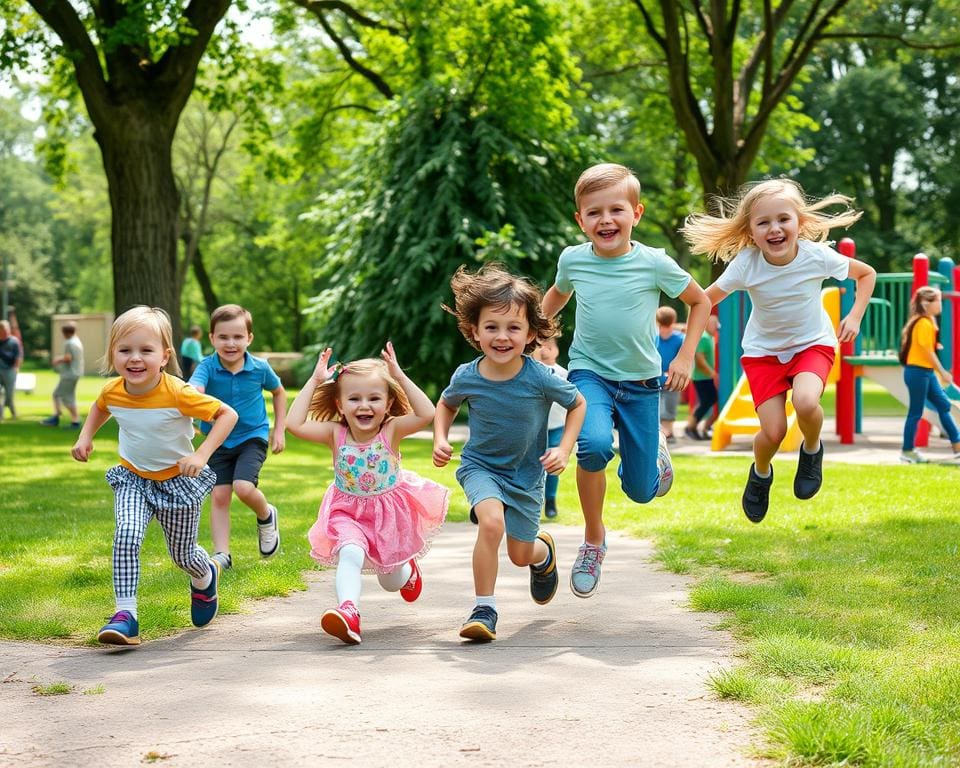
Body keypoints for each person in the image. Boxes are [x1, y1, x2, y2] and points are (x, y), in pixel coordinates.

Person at [542, 163, 710, 599]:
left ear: (636, 213)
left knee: (640, 492)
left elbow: (700, 300)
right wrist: (533, 333)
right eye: (593, 213)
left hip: (640, 383)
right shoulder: (573, 259)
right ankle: (593, 540)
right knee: (593, 446)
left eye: (616, 210)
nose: (605, 220)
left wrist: (687, 356)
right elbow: (558, 294)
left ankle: (655, 450)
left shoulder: (654, 262)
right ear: (580, 221)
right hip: (589, 373)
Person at [682, 178, 876, 523]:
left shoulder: (817, 256)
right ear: (751, 232)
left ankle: (812, 449)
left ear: (799, 222)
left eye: (783, 219)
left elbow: (867, 274)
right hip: (762, 354)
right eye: (763, 222)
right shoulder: (746, 264)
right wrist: (687, 347)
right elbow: (704, 300)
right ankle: (760, 473)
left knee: (805, 401)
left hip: (812, 344)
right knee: (773, 432)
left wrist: (855, 316)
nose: (774, 229)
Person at [434, 264, 586, 642]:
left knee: (521, 554)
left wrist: (564, 449)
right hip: (480, 467)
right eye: (492, 327)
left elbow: (578, 404)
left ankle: (543, 553)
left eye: (513, 328)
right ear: (475, 331)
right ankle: (484, 608)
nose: (502, 337)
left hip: (526, 476)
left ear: (531, 333)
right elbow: (446, 403)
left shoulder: (539, 376)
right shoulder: (467, 375)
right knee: (490, 524)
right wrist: (441, 437)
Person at [71, 306, 238, 646]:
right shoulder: (113, 391)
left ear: (164, 356)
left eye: (145, 350)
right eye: (125, 350)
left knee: (183, 555)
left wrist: (201, 454)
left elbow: (226, 414)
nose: (135, 358)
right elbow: (101, 407)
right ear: (112, 354)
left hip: (178, 482)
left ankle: (205, 575)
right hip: (133, 478)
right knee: (127, 535)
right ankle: (125, 615)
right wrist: (85, 436)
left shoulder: (177, 392)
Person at [287, 342, 448, 646]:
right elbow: (293, 424)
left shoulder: (391, 431)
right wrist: (315, 381)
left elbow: (427, 413)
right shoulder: (336, 435)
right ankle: (349, 611)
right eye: (354, 398)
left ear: (388, 405)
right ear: (340, 405)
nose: (364, 405)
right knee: (349, 552)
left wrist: (399, 376)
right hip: (347, 513)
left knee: (390, 582)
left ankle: (407, 569)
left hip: (388, 515)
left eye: (374, 398)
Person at [189, 305, 287, 571]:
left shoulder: (260, 368)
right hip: (217, 441)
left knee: (243, 488)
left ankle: (266, 515)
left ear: (249, 339)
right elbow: (195, 387)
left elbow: (279, 392)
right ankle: (222, 554)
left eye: (237, 337)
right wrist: (195, 395)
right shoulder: (207, 367)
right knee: (220, 496)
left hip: (251, 437)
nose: (230, 343)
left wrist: (279, 430)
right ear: (211, 339)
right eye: (223, 337)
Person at [897, 287, 960, 463]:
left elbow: (925, 347)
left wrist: (935, 347)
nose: (941, 303)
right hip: (918, 372)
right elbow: (926, 352)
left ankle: (957, 446)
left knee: (944, 405)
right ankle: (907, 451)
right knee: (916, 412)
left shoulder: (928, 321)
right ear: (926, 304)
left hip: (926, 372)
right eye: (938, 300)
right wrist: (943, 372)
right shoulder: (923, 322)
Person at [532, 334, 568, 519]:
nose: (545, 351)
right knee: (534, 466)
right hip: (536, 428)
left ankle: (551, 499)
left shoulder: (563, 373)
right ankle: (534, 500)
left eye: (549, 347)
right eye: (541, 347)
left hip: (557, 426)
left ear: (557, 350)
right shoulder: (532, 371)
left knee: (552, 465)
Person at [41, 322, 84, 428]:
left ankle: (75, 421)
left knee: (65, 397)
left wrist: (57, 359)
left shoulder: (69, 343)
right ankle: (57, 416)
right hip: (75, 373)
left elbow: (68, 358)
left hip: (69, 374)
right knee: (59, 395)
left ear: (65, 332)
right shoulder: (77, 341)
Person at [685, 314, 720, 440]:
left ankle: (698, 427)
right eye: (714, 324)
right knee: (706, 401)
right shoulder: (704, 338)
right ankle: (690, 427)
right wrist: (712, 373)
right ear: (707, 324)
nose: (716, 326)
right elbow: (699, 358)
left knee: (708, 401)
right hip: (701, 377)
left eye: (716, 323)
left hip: (705, 377)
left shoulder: (710, 337)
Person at [656, 306, 685, 443]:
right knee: (661, 407)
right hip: (658, 378)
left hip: (669, 378)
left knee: (669, 406)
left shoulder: (678, 339)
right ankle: (665, 433)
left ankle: (668, 433)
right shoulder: (655, 338)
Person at [0, 320, 22, 421]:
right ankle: (1, 415)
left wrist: (16, 368)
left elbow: (18, 356)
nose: (5, 331)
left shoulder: (14, 341)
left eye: (6, 329)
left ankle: (13, 412)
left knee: (9, 394)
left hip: (10, 370)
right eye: (3, 329)